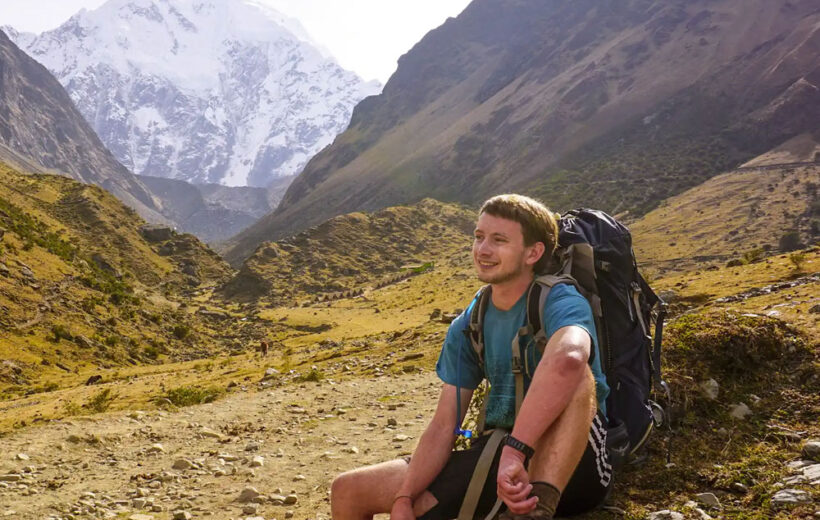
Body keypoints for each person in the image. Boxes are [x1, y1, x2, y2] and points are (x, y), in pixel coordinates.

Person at [331, 194, 611, 520]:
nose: (483, 250)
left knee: (578, 375)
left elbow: (571, 358)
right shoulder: (472, 319)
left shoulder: (559, 300)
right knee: (347, 490)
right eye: (478, 237)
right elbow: (445, 423)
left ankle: (538, 508)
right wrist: (404, 497)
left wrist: (515, 451)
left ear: (533, 252)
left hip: (575, 462)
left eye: (499, 240)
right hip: (497, 454)